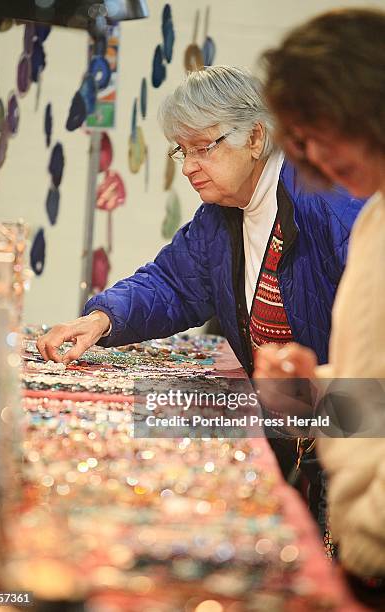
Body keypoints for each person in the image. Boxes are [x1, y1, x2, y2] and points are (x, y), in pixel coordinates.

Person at [37, 66, 363, 531]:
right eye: (181, 151)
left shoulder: (332, 206)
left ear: (255, 138)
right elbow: (172, 283)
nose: (189, 166)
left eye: (203, 148)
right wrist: (102, 319)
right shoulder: (221, 214)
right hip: (303, 421)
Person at [256, 8, 385, 583]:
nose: (316, 152)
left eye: (322, 128)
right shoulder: (374, 217)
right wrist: (316, 387)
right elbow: (377, 397)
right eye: (302, 137)